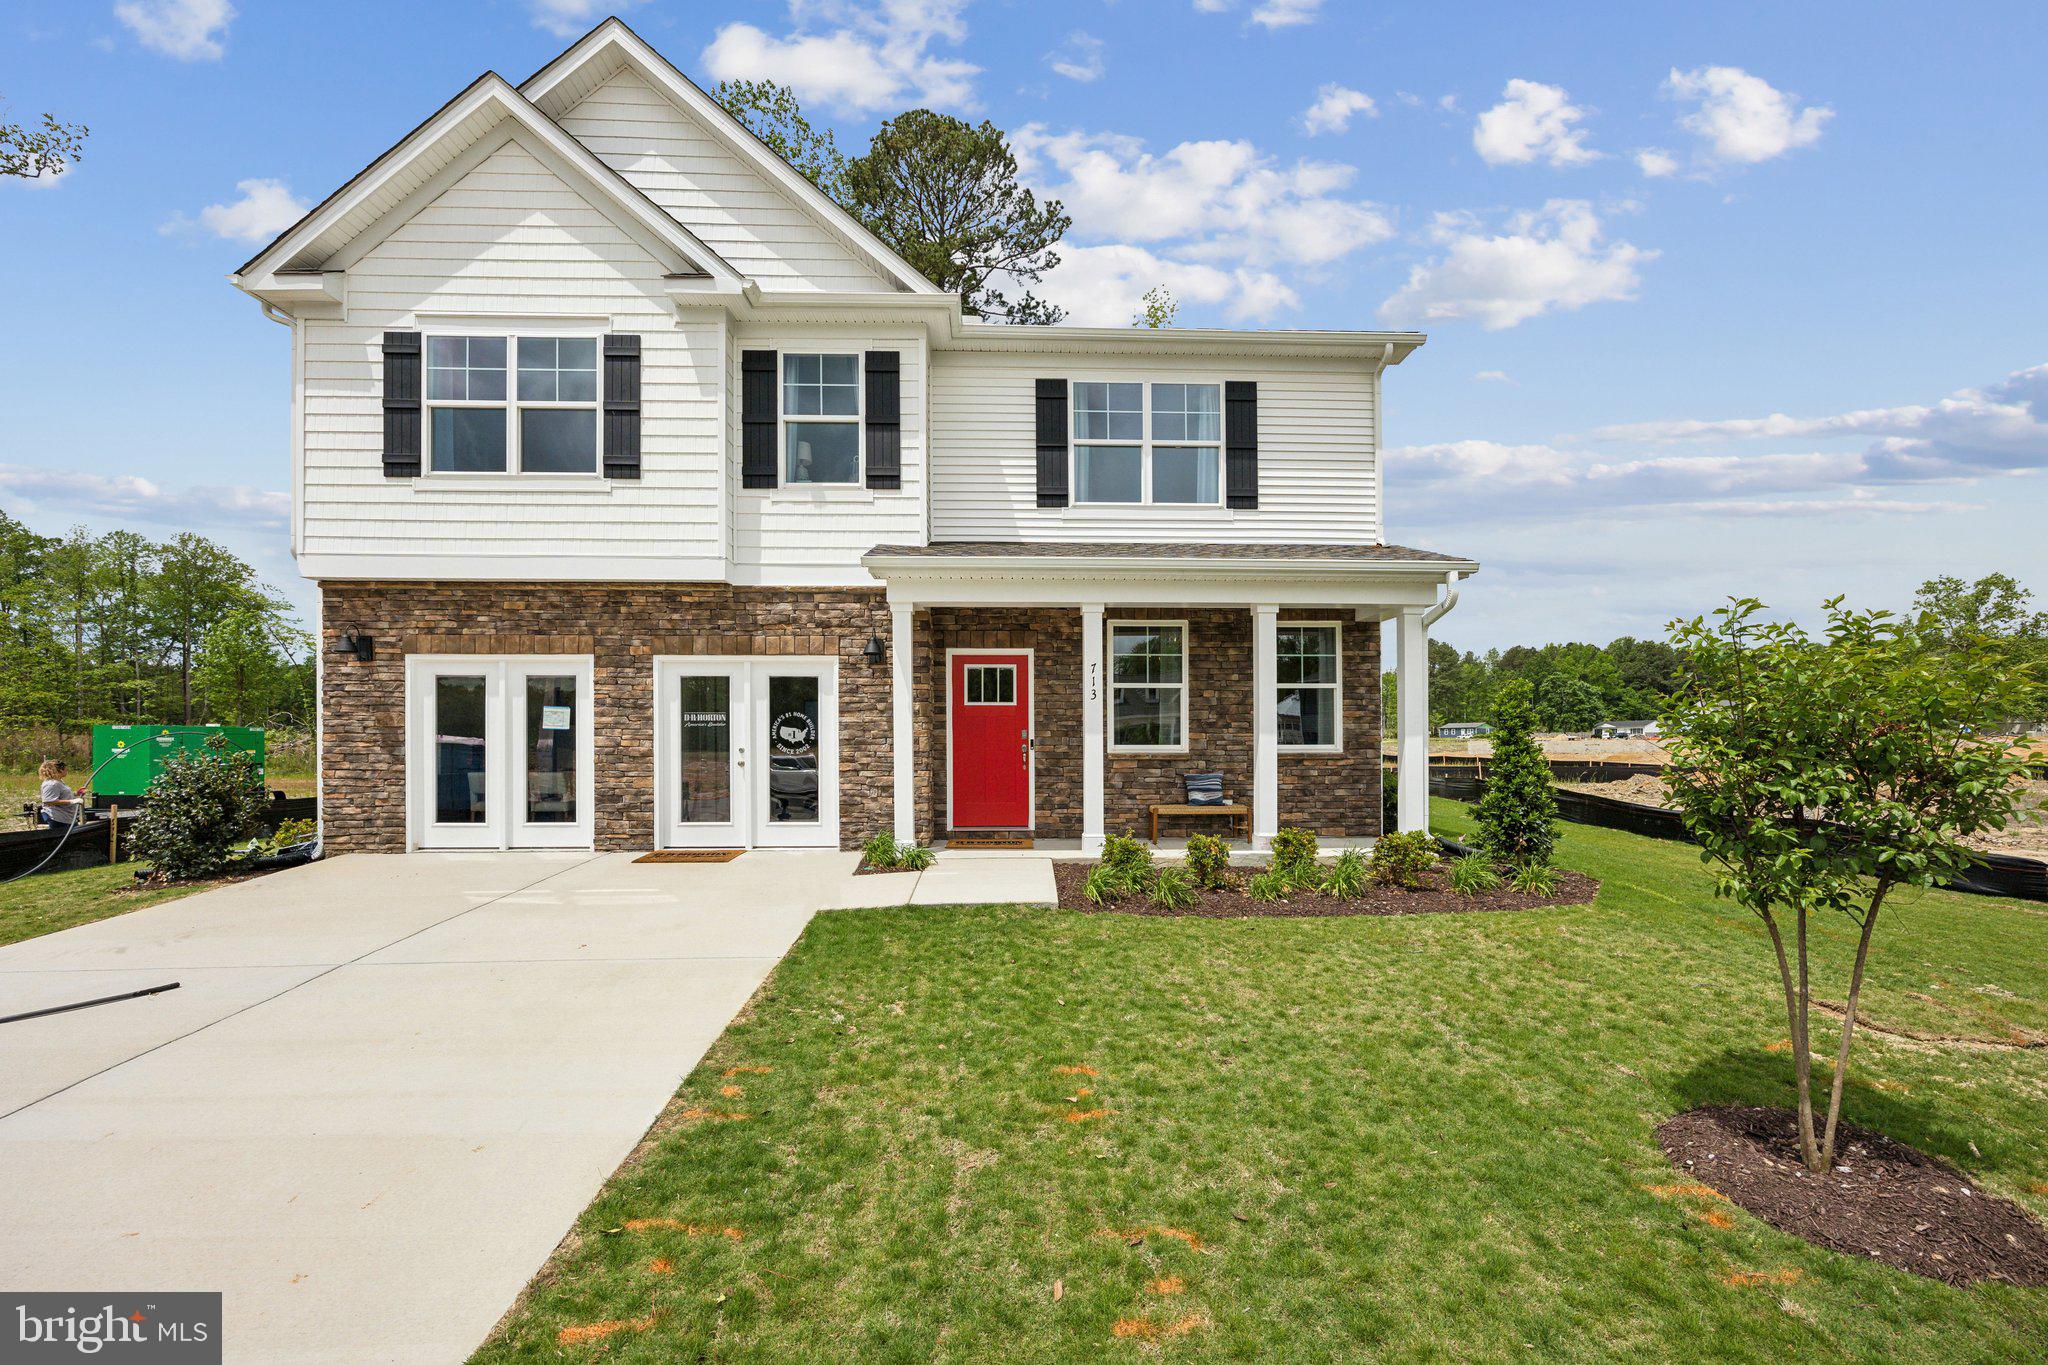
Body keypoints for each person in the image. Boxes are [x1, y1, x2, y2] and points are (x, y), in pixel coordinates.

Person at [38, 759, 92, 828]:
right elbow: (49, 801)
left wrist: (77, 793)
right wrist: (72, 801)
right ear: (60, 770)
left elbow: (61, 794)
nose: (67, 771)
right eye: (66, 769)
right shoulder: (51, 784)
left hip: (66, 818)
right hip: (57, 818)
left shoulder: (58, 781)